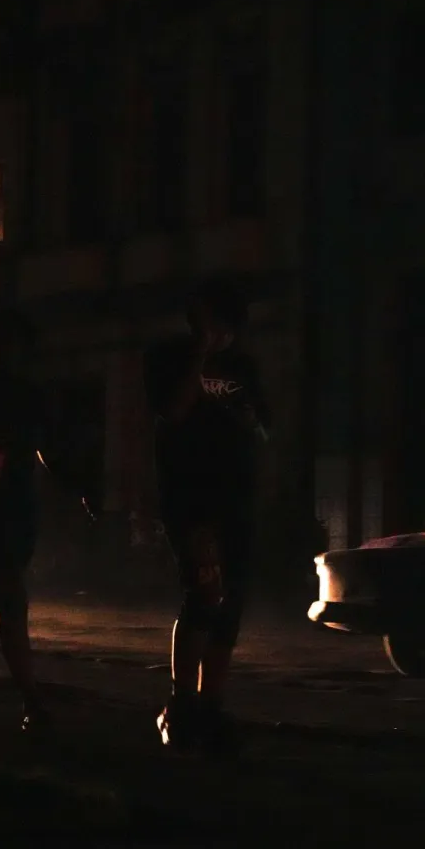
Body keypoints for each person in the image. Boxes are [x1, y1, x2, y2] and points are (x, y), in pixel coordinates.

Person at [0, 309, 96, 731]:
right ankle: (31, 702)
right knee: (8, 599)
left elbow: (45, 449)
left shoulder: (1, 392)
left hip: (7, 499)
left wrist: (78, 485)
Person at [144, 275, 271, 756]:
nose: (206, 327)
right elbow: (171, 413)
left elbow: (264, 429)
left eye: (214, 319)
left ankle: (212, 705)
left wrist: (248, 420)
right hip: (190, 498)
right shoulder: (167, 358)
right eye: (199, 319)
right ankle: (180, 705)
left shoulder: (245, 366)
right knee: (203, 593)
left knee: (231, 602)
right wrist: (198, 357)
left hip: (236, 496)